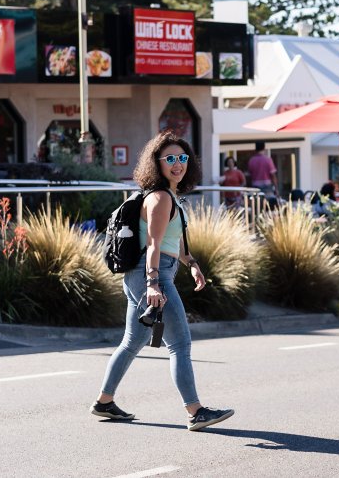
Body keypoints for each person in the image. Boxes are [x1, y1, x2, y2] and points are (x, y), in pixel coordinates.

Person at [92, 131, 233, 431]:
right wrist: (154, 283)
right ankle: (195, 411)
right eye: (170, 159)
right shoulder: (159, 197)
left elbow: (175, 244)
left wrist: (192, 264)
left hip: (148, 273)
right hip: (151, 273)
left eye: (182, 158)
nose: (177, 164)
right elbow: (155, 244)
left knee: (132, 342)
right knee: (180, 344)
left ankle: (104, 401)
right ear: (156, 163)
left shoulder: (171, 197)